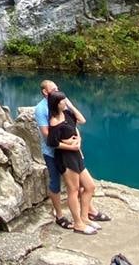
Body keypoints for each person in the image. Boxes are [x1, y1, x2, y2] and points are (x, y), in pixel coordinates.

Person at [35, 80, 111, 228]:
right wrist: (70, 144)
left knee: (86, 185)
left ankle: (88, 212)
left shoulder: (65, 109)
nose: (58, 90)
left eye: (58, 88)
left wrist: (78, 140)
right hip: (53, 153)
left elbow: (75, 125)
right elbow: (48, 136)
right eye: (54, 89)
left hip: (72, 152)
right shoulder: (42, 110)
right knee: (57, 184)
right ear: (45, 92)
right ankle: (60, 215)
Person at [47, 90, 99, 235]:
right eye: (62, 101)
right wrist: (70, 146)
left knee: (89, 186)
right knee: (74, 190)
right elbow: (52, 143)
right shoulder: (54, 121)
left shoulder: (68, 114)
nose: (65, 102)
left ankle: (84, 217)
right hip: (65, 158)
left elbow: (81, 121)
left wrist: (78, 142)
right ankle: (78, 224)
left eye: (65, 100)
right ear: (56, 104)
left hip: (76, 155)